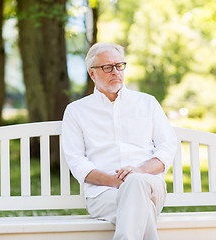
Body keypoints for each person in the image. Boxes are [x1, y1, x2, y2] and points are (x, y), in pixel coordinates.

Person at [61, 42, 177, 240]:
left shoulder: (147, 103)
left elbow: (167, 147)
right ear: (92, 73)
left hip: (150, 185)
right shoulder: (76, 111)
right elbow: (77, 161)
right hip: (103, 194)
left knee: (136, 183)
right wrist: (115, 181)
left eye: (119, 65)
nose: (115, 71)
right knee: (142, 207)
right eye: (107, 67)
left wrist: (138, 172)